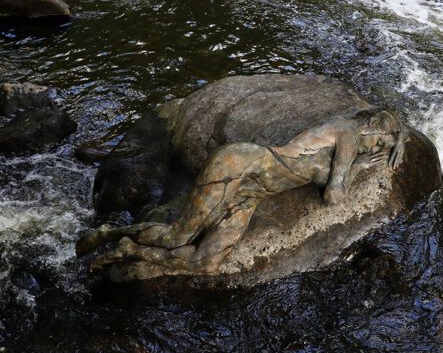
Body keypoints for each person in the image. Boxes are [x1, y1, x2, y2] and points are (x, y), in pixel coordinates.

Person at [77, 109, 405, 274]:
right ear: (371, 124)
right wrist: (362, 166)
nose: (374, 149)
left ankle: (128, 250)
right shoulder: (347, 133)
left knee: (207, 262)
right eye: (379, 142)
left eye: (382, 147)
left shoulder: (346, 132)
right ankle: (112, 232)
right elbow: (334, 195)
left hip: (252, 192)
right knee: (179, 236)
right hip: (241, 164)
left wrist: (399, 137)